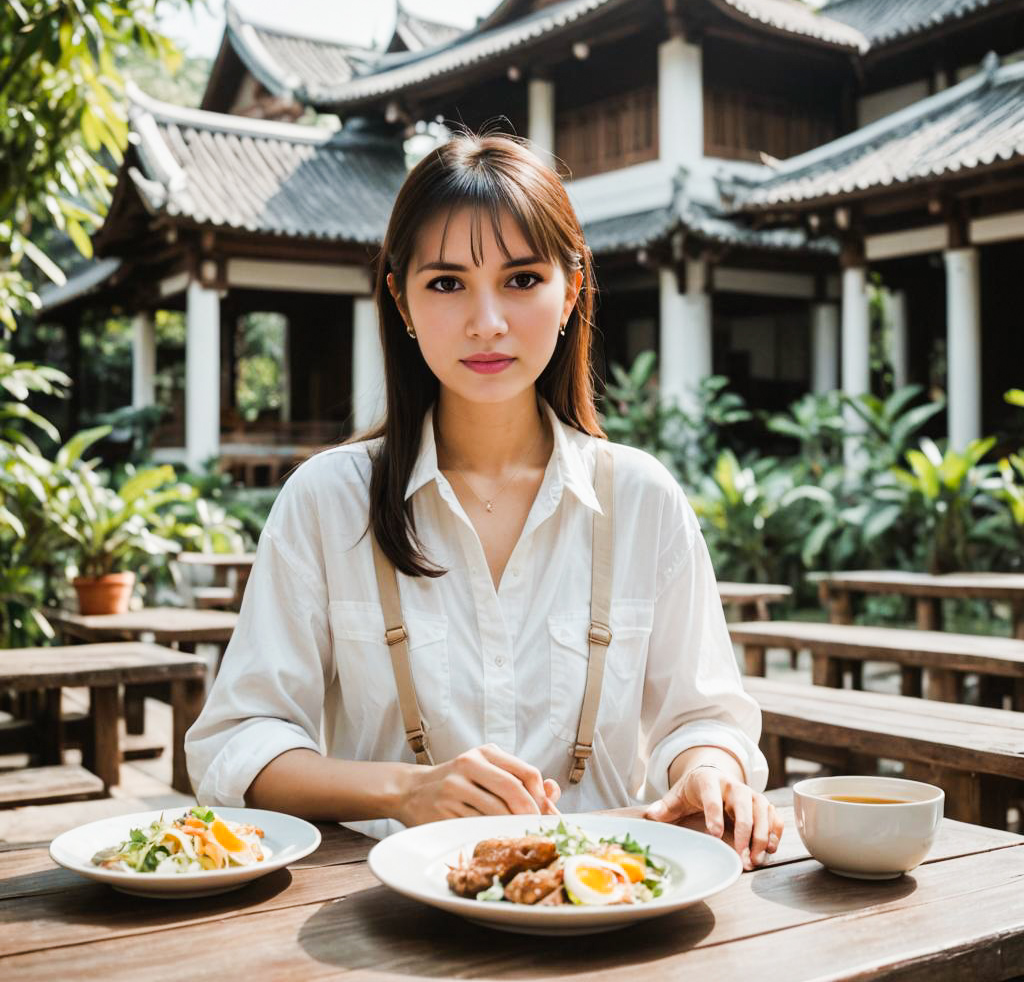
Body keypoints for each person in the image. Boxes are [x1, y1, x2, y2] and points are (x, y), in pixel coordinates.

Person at [185, 131, 784, 871]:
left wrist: (709, 769)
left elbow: (703, 716)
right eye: (446, 284)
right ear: (401, 300)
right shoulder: (327, 501)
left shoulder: (642, 499)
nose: (487, 322)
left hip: (609, 906)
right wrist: (405, 791)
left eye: (522, 279)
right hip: (384, 918)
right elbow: (238, 742)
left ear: (571, 291)